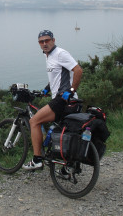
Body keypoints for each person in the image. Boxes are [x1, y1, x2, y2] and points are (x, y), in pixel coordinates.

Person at [22, 30, 83, 170]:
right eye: (41, 41)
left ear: (53, 40)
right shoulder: (48, 56)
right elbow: (57, 77)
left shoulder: (60, 53)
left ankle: (37, 160)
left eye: (47, 40)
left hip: (63, 100)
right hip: (62, 99)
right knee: (61, 132)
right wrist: (46, 89)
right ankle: (67, 166)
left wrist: (71, 91)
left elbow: (78, 70)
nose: (44, 43)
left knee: (34, 121)